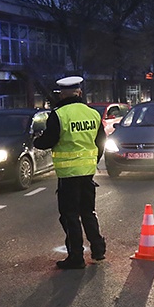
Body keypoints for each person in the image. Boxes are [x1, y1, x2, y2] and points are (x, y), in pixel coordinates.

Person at [33, 76, 107, 269]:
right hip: (88, 173)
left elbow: (48, 141)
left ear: (62, 94)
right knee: (88, 212)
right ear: (79, 93)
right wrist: (93, 161)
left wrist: (36, 141)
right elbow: (101, 142)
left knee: (70, 216)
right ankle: (98, 250)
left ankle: (76, 257)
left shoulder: (59, 115)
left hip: (68, 174)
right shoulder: (92, 114)